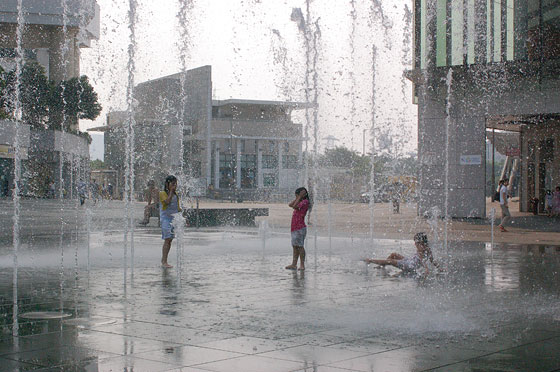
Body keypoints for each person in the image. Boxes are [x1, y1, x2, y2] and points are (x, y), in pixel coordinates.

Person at [363, 232, 442, 275]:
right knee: (394, 254)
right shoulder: (427, 249)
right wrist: (439, 268)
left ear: (422, 242)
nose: (415, 245)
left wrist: (426, 270)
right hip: (410, 261)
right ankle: (382, 265)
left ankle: (370, 260)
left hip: (410, 266)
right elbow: (432, 261)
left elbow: (425, 261)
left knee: (391, 261)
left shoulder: (422, 250)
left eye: (417, 243)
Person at [285, 187, 311, 271]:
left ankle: (302, 264)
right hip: (294, 227)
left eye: (297, 195)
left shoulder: (305, 202)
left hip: (300, 228)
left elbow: (294, 206)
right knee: (294, 246)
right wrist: (298, 197)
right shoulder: (300, 201)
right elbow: (290, 204)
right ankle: (294, 264)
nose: (296, 197)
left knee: (300, 246)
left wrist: (299, 197)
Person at [159, 175, 181, 268]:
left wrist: (182, 219)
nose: (174, 186)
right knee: (167, 239)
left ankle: (164, 259)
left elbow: (177, 208)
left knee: (170, 240)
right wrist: (171, 191)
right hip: (165, 219)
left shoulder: (176, 194)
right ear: (167, 184)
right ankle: (164, 261)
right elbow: (167, 202)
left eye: (175, 184)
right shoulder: (162, 193)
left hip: (174, 219)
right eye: (172, 184)